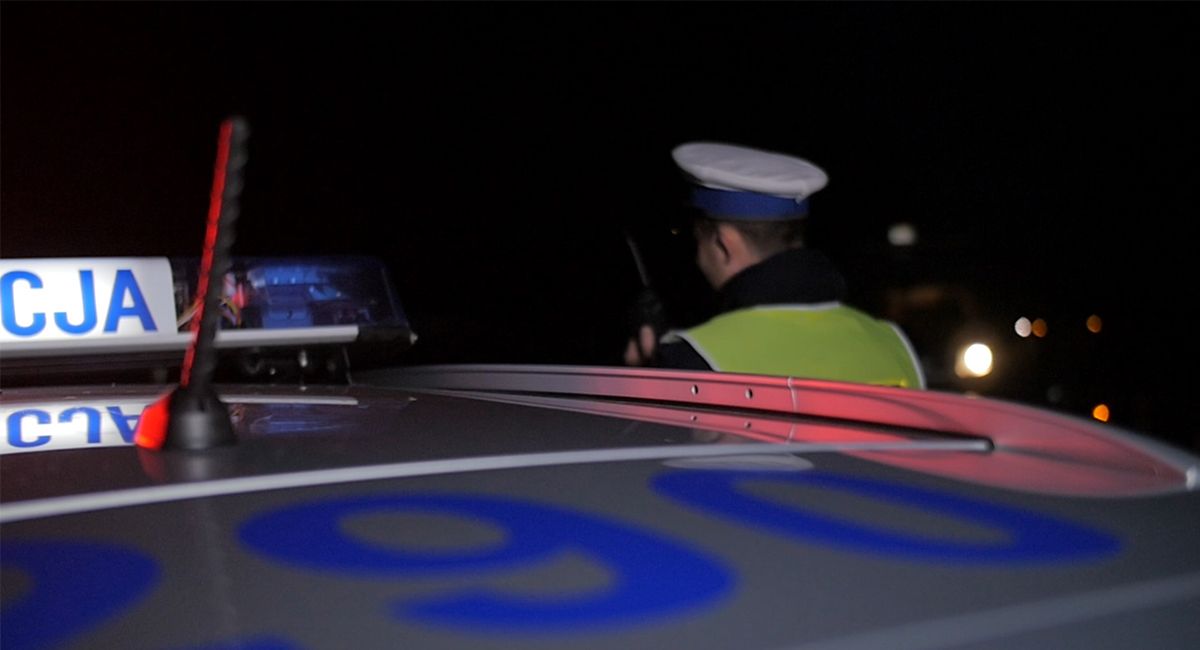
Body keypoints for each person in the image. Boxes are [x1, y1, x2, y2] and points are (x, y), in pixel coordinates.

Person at [624, 141, 925, 388]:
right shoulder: (893, 343)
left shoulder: (696, 358)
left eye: (698, 242)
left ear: (725, 244)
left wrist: (648, 375)